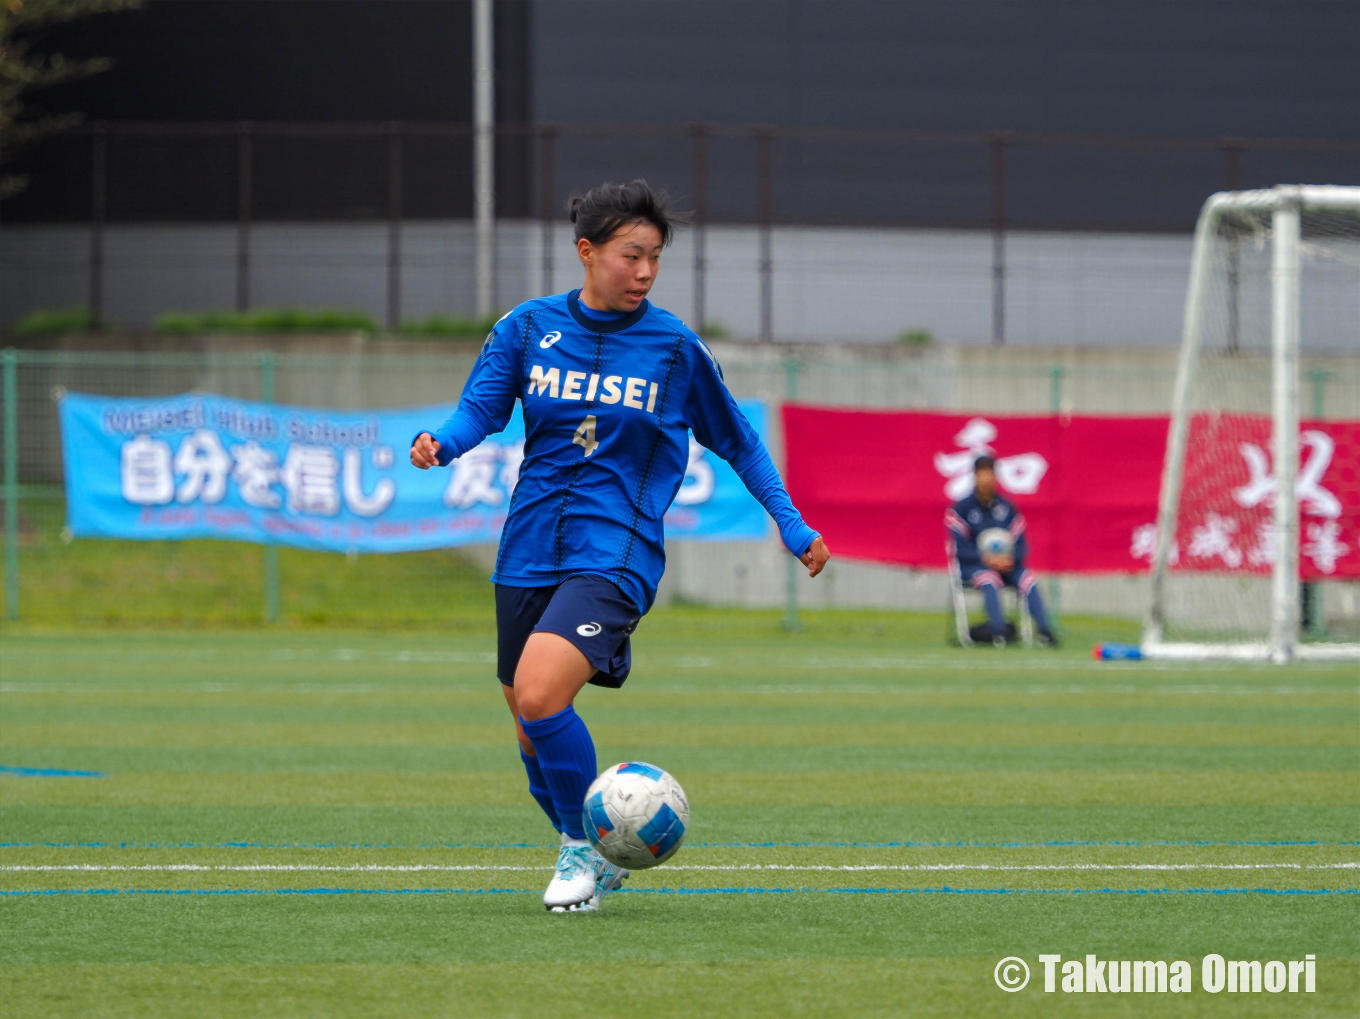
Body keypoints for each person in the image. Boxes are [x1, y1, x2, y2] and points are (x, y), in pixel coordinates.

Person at [410, 180, 830, 913]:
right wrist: (443, 442)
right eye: (631, 255)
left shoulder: (673, 347)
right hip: (529, 545)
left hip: (618, 550)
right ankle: (596, 851)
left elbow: (737, 440)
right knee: (525, 718)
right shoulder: (526, 327)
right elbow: (482, 407)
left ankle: (581, 847)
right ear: (587, 251)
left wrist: (791, 524)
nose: (644, 272)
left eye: (655, 258)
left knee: (541, 694)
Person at [945, 455, 1055, 647]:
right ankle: (998, 631)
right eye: (982, 474)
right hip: (976, 567)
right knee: (989, 580)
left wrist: (1010, 560)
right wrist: (986, 559)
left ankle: (1045, 631)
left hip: (1007, 565)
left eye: (990, 474)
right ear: (976, 476)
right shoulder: (963, 509)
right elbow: (959, 548)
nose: (987, 480)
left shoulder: (1006, 507)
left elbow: (1020, 543)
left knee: (1028, 578)